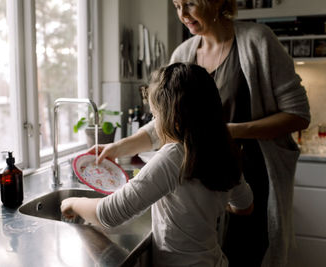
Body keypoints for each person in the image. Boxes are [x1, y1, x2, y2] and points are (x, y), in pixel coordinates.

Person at [88, 1, 311, 266]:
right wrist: (119, 147)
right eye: (176, 5)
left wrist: (229, 131)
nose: (182, 14)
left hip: (250, 176)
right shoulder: (184, 52)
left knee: (248, 253)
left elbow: (299, 114)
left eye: (190, 3)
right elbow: (166, 120)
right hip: (204, 182)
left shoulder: (258, 42)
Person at [61, 63, 254, 267]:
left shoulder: (174, 157)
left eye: (155, 116)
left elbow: (110, 213)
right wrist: (208, 201)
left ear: (175, 119)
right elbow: (245, 206)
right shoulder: (223, 151)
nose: (155, 123)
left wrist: (73, 203)